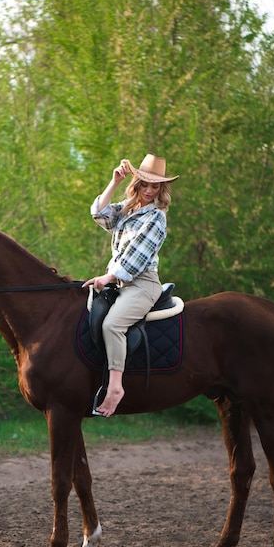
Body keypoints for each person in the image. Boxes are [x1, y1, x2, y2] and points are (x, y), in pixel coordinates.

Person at [83, 154, 179, 417]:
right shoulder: (128, 208)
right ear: (136, 183)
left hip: (141, 284)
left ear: (162, 189)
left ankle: (115, 388)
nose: (149, 191)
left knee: (113, 324)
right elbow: (99, 215)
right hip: (120, 282)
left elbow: (135, 257)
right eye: (145, 184)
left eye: (155, 186)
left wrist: (107, 278)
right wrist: (114, 182)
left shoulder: (156, 218)